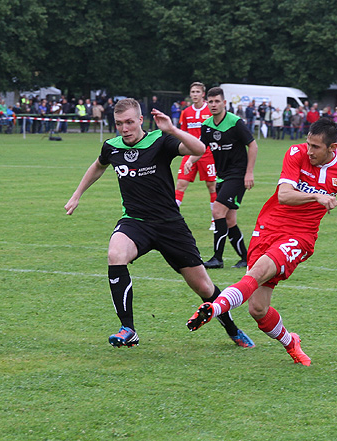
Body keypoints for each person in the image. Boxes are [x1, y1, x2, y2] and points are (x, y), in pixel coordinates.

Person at [186, 118, 337, 366]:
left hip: (300, 236)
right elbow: (284, 195)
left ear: (332, 147)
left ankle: (214, 309)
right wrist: (317, 196)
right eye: (308, 143)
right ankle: (291, 343)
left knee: (257, 272)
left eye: (316, 147)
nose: (309, 150)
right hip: (268, 227)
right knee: (257, 309)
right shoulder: (296, 153)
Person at [64, 98, 255, 349]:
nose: (125, 128)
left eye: (130, 122)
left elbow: (199, 149)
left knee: (204, 286)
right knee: (115, 254)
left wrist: (172, 129)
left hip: (170, 225)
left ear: (140, 120)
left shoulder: (160, 140)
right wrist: (77, 194)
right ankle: (128, 329)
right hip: (135, 222)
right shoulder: (112, 147)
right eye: (119, 123)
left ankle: (232, 329)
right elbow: (98, 166)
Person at [186, 87, 257, 269]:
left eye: (217, 101)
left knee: (218, 211)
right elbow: (201, 148)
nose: (214, 105)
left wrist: (249, 172)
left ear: (224, 103)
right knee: (229, 220)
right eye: (210, 101)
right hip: (222, 176)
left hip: (237, 175)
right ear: (207, 103)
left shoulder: (235, 122)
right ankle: (246, 258)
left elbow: (253, 145)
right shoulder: (207, 125)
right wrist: (190, 161)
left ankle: (217, 258)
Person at [175, 82, 217, 230]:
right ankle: (170, 219)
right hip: (190, 153)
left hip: (207, 154)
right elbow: (183, 133)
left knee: (211, 186)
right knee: (180, 184)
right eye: (192, 92)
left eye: (197, 92)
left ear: (203, 94)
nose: (194, 94)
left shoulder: (210, 110)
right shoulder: (186, 112)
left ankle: (215, 220)